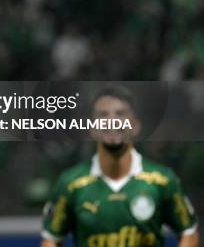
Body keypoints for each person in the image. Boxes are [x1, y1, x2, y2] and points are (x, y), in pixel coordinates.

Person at [41, 85, 199, 247]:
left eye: (120, 114)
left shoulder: (163, 181)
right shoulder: (70, 183)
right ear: (92, 128)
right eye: (103, 115)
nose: (112, 121)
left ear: (135, 126)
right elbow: (51, 240)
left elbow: (188, 233)